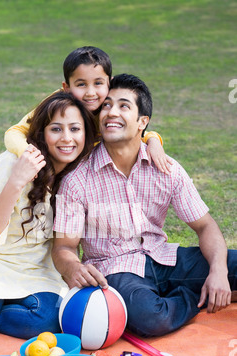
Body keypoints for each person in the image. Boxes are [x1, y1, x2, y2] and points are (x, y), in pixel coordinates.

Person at [52, 74, 237, 337]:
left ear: (143, 122)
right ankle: (198, 294)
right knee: (151, 318)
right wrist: (73, 267)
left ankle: (208, 285)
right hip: (116, 270)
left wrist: (218, 271)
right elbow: (64, 247)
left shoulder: (166, 168)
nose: (111, 112)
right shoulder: (77, 180)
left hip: (164, 256)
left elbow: (205, 225)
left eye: (123, 106)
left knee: (230, 265)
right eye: (106, 105)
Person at [0, 91, 97, 347]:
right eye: (56, 129)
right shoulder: (12, 162)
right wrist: (16, 180)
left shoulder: (75, 174)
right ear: (41, 133)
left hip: (33, 269)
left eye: (75, 129)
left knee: (51, 321)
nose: (67, 138)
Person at [4, 46, 173, 174]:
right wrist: (27, 153)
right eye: (81, 84)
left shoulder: (109, 110)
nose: (91, 93)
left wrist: (153, 140)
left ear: (109, 82)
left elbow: (133, 131)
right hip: (49, 169)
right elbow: (14, 131)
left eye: (98, 83)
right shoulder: (56, 105)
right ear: (67, 88)